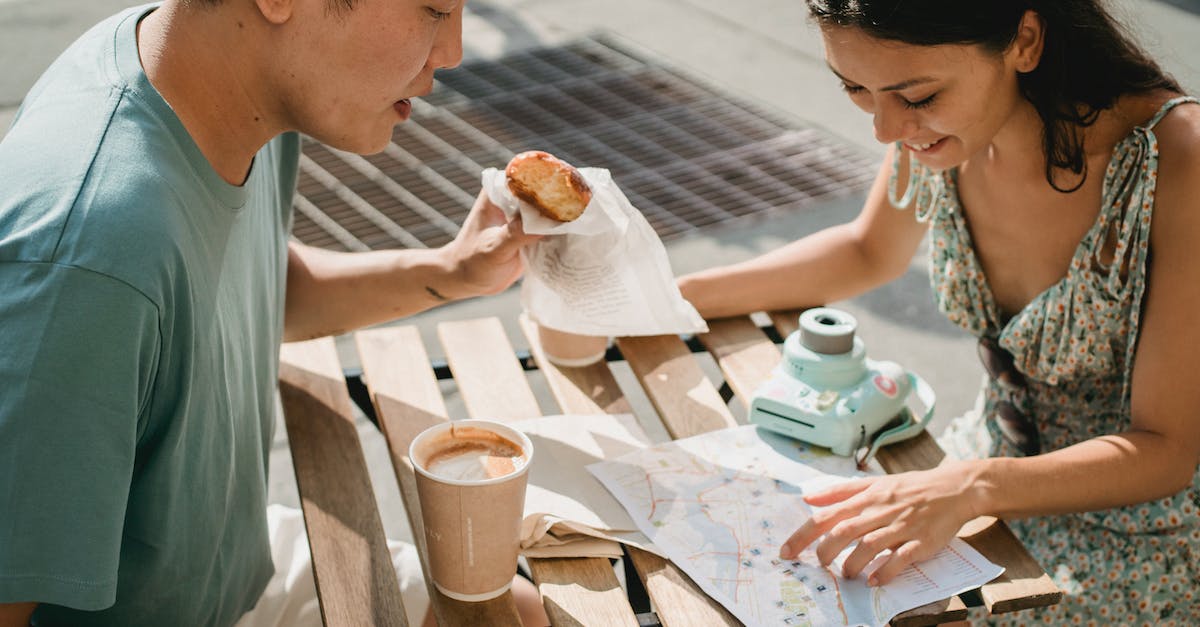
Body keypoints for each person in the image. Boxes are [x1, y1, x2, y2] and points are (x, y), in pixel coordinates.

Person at [0, 1, 549, 626]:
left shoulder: (214, 83)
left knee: (517, 615)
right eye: (433, 9)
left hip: (224, 569)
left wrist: (452, 272)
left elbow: (245, 282)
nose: (452, 49)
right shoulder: (91, 262)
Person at [678, 0, 1200, 622]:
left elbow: (1168, 448)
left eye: (916, 97)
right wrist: (659, 301)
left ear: (1025, 41)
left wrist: (969, 486)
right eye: (855, 88)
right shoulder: (937, 128)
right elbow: (866, 250)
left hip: (1143, 536)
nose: (884, 129)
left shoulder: (1176, 161)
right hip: (974, 475)